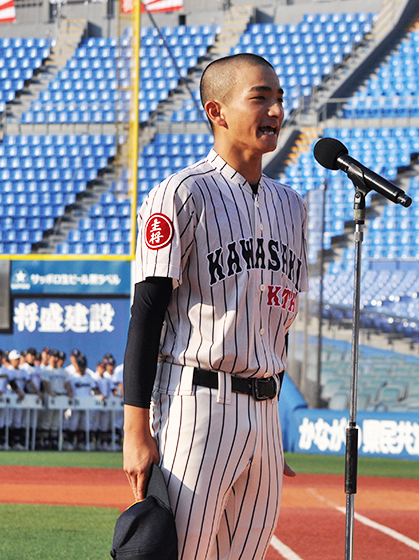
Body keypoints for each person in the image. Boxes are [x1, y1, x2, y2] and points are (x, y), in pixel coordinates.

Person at [122, 53, 308, 560]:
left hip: (265, 415)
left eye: (279, 98)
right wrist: (135, 432)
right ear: (217, 112)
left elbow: (278, 319)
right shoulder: (182, 194)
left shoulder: (292, 205)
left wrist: (273, 419)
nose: (274, 109)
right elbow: (146, 314)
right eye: (260, 97)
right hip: (198, 403)